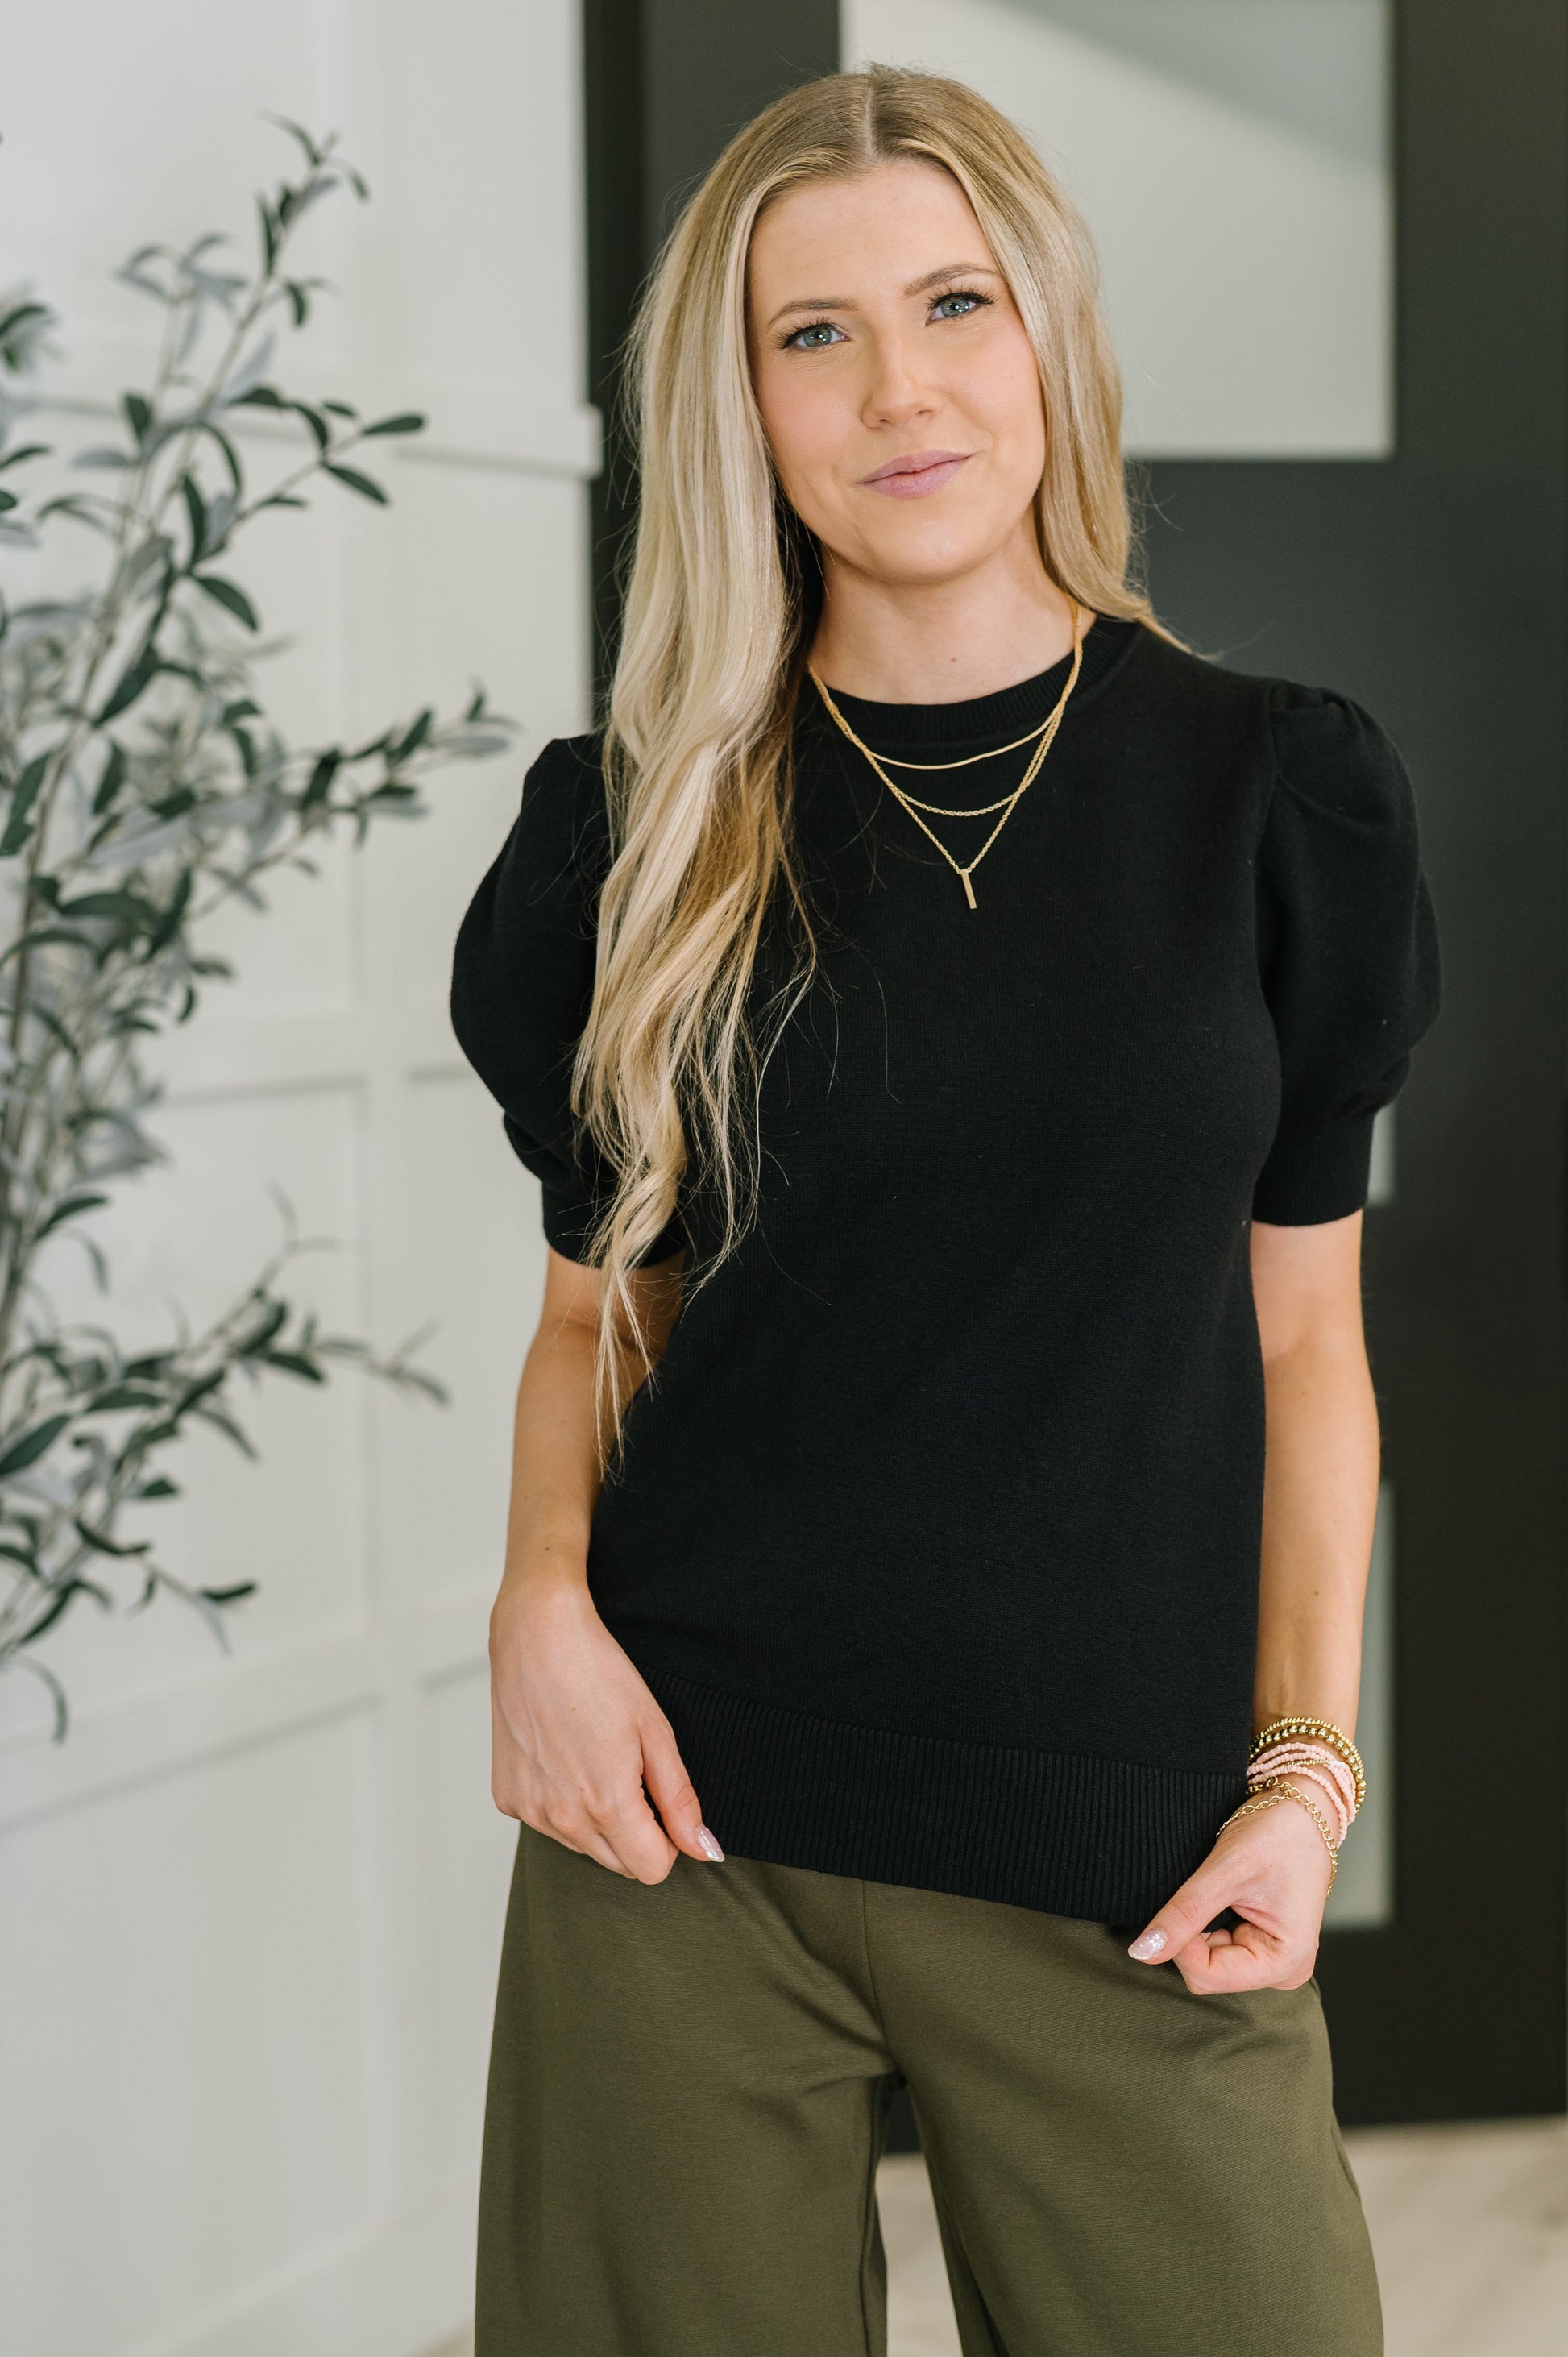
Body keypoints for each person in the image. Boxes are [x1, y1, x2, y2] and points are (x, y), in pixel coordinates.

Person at [449, 64, 1440, 2357]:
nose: (897, 387)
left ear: (1047, 341)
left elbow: (1309, 1352)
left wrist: (1304, 1776)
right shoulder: (628, 833)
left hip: (1129, 1851)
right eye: (812, 334)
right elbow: (597, 1312)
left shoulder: (1277, 794)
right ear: (743, 404)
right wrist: (534, 1607)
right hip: (684, 1833)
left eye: (950, 304)